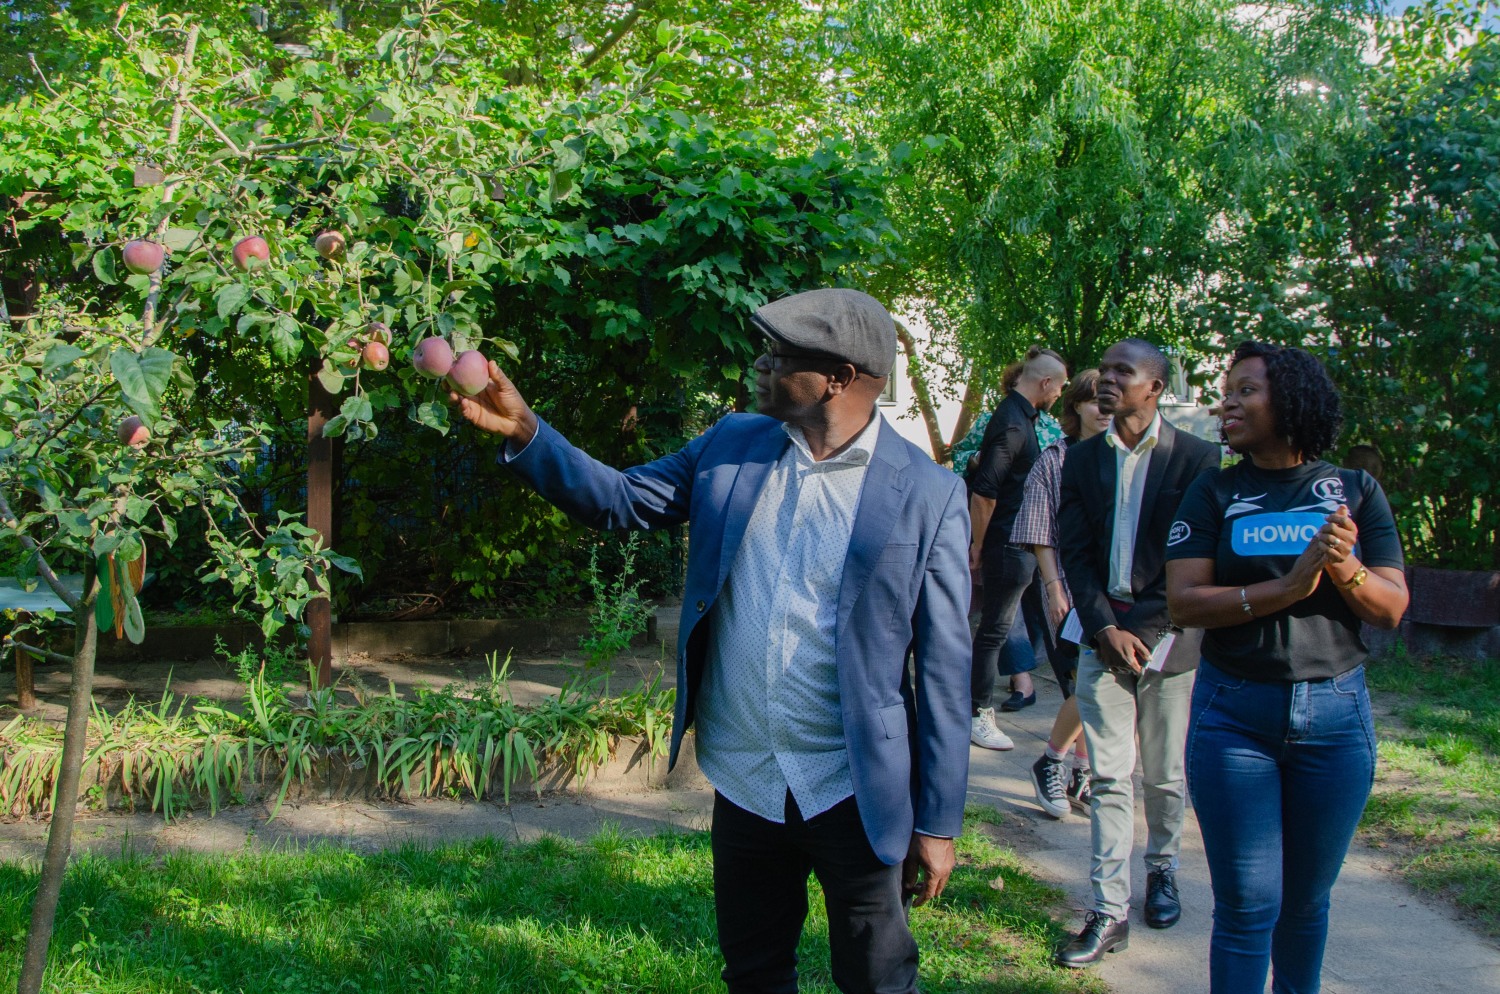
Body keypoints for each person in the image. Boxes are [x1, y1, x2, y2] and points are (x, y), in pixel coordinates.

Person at [451, 288, 973, 994]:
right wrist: (527, 434)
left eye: (776, 355)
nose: (758, 365)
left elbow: (944, 667)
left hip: (851, 785)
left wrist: (937, 821)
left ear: (839, 378)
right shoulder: (733, 446)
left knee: (878, 978)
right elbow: (622, 500)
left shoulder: (930, 493)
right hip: (747, 778)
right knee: (754, 973)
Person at [1165, 341, 1407, 993]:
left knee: (1305, 905)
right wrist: (1288, 587)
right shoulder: (1213, 491)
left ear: (1292, 399)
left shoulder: (1354, 492)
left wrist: (1343, 567)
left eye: (1246, 389)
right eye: (1228, 390)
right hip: (1234, 720)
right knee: (1247, 907)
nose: (1228, 402)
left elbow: (1389, 608)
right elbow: (1184, 602)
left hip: (1335, 721)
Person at [1054, 338, 1220, 968]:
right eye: (1105, 369)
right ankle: (1108, 909)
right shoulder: (1083, 459)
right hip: (1103, 638)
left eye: (1124, 371)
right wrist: (1102, 629)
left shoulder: (1199, 460)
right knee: (1107, 776)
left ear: (1155, 387)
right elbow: (1075, 554)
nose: (1107, 378)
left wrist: (1144, 631)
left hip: (1169, 639)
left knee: (1165, 774)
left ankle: (1163, 868)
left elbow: (1197, 559)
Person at [1007, 369, 1111, 818]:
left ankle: (1079, 772)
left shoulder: (1126, 458)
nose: (1104, 413)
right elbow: (1039, 532)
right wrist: (1051, 587)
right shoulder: (1055, 459)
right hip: (1066, 587)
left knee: (1104, 681)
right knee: (1086, 681)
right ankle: (1050, 760)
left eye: (1111, 404)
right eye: (1096, 404)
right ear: (1077, 408)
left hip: (1115, 590)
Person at [968, 346, 1068, 751]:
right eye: (1059, 387)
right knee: (994, 630)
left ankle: (1078, 708)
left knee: (1049, 626)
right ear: (1045, 383)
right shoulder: (1011, 423)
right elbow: (986, 491)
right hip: (1009, 545)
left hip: (1026, 544)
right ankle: (977, 714)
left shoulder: (1022, 417)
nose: (1060, 394)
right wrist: (977, 545)